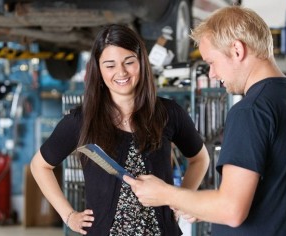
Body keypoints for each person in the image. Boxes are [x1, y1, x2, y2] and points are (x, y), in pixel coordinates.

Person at [124, 5, 286, 236]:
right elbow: (275, 195)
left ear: (237, 50)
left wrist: (164, 193)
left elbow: (231, 209)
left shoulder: (250, 111)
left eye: (212, 62)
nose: (212, 74)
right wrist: (199, 205)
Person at [29, 24, 210, 236]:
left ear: (141, 62)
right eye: (110, 65)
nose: (121, 72)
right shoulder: (81, 120)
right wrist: (68, 215)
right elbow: (39, 166)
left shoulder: (168, 113)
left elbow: (200, 159)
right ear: (98, 68)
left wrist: (182, 200)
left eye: (129, 62)